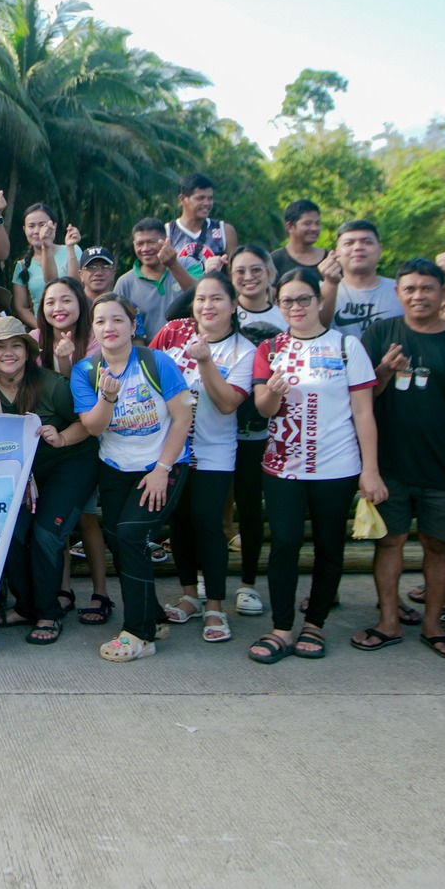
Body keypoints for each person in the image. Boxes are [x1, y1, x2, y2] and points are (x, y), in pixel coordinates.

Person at [352, 260, 445, 661]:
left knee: (440, 546)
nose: (418, 296)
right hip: (389, 465)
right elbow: (361, 399)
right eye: (409, 288)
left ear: (444, 290)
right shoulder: (380, 334)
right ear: (398, 293)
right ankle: (389, 621)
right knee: (389, 542)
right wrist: (383, 370)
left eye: (427, 288)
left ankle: (434, 625)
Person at [247, 268, 382, 666]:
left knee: (329, 547)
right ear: (278, 303)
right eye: (286, 300)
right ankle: (282, 627)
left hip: (337, 466)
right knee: (285, 543)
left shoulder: (346, 346)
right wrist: (271, 392)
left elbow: (364, 412)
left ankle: (316, 623)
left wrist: (369, 470)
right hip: (282, 466)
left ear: (320, 301)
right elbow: (263, 409)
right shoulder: (270, 349)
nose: (295, 307)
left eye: (303, 299)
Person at [74, 295, 195, 664]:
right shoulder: (86, 370)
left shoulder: (157, 362)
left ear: (132, 325)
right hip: (114, 467)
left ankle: (139, 633)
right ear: (92, 328)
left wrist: (161, 469)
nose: (109, 327)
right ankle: (153, 617)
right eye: (100, 321)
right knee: (118, 538)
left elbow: (182, 416)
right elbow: (93, 427)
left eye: (117, 320)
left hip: (163, 465)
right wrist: (107, 398)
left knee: (129, 535)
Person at [0, 316, 98, 645]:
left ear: (28, 352)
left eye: (16, 345)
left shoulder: (52, 384)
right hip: (23, 474)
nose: (8, 353)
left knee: (46, 533)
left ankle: (48, 612)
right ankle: (26, 607)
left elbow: (86, 425)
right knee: (12, 534)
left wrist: (60, 438)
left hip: (69, 464)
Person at [151, 274, 259, 645]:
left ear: (233, 306)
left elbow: (229, 403)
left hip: (215, 451)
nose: (207, 306)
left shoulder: (245, 350)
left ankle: (215, 605)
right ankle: (189, 596)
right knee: (179, 523)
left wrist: (207, 362)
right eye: (200, 299)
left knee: (209, 524)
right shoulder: (174, 334)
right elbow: (148, 374)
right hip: (172, 449)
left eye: (216, 299)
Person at [35, 274, 110, 626]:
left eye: (66, 300)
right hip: (50, 449)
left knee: (87, 518)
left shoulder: (95, 342)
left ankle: (101, 592)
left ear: (81, 303)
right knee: (57, 519)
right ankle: (63, 589)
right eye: (50, 302)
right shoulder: (34, 340)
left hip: (89, 442)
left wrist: (65, 361)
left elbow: (79, 393)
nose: (58, 308)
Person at [318, 219, 401, 339]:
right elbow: (315, 329)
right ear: (337, 253)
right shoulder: (317, 291)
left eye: (367, 242)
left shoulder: (402, 290)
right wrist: (330, 283)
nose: (357, 247)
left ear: (380, 250)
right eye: (349, 243)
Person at [11, 203, 79, 328]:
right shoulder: (21, 266)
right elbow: (21, 307)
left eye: (42, 225)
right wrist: (41, 329)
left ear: (54, 226)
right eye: (31, 226)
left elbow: (76, 286)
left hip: (74, 326)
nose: (37, 231)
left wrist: (70, 247)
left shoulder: (71, 249)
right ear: (24, 229)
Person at [112, 218, 180, 340]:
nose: (145, 248)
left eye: (151, 242)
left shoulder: (186, 265)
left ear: (166, 241)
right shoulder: (125, 283)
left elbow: (197, 294)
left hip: (188, 351)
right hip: (148, 355)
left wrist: (174, 265)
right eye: (140, 244)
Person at [167, 174, 236, 277]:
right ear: (182, 199)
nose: (207, 203)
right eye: (200, 198)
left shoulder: (224, 231)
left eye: (210, 198)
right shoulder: (167, 232)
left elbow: (234, 274)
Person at [228, 245, 287, 332]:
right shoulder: (224, 314)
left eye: (256, 270)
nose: (248, 277)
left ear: (269, 272)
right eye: (240, 271)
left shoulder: (285, 316)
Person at [270, 199, 324, 279]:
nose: (314, 228)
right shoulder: (275, 260)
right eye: (307, 223)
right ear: (290, 226)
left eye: (317, 223)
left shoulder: (329, 259)